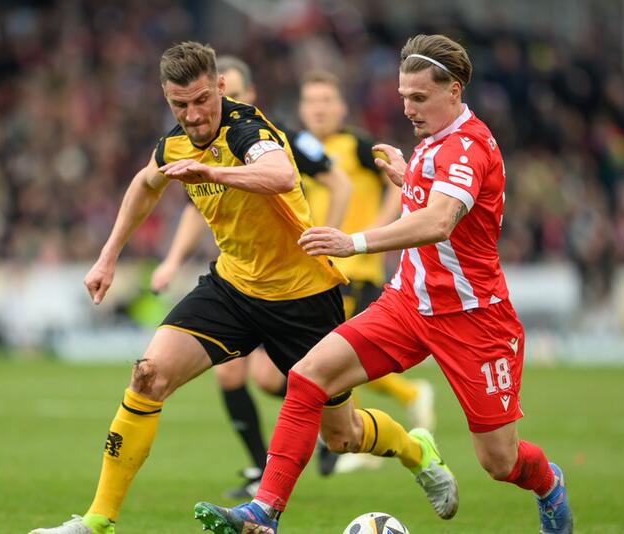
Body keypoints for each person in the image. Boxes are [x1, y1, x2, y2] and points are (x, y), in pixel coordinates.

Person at [30, 41, 453, 534]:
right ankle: (97, 520)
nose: (193, 114)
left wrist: (212, 170)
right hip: (233, 286)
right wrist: (108, 256)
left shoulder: (249, 130)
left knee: (342, 436)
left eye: (201, 100)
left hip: (303, 297)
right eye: (179, 105)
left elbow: (277, 172)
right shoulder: (173, 144)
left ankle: (415, 449)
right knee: (147, 376)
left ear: (221, 87)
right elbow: (145, 185)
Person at [194, 34, 573, 534]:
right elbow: (435, 203)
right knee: (308, 376)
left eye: (419, 97)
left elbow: (439, 222)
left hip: (473, 318)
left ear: (454, 90)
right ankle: (264, 511)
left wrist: (354, 242)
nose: (409, 108)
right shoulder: (434, 143)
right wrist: (407, 177)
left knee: (499, 462)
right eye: (403, 97)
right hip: (408, 306)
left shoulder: (467, 147)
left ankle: (548, 485)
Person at [149, 55, 353, 499]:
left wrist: (331, 238)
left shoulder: (282, 137)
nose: (201, 114)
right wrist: (171, 261)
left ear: (241, 95)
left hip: (299, 279)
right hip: (240, 281)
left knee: (278, 382)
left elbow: (338, 183)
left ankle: (339, 431)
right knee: (228, 375)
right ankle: (260, 468)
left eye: (229, 96)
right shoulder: (199, 142)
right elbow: (192, 203)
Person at [297, 70, 436, 473]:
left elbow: (400, 184)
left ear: (341, 107)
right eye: (311, 102)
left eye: (326, 101)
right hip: (322, 266)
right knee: (330, 356)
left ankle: (353, 440)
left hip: (356, 266)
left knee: (334, 355)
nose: (319, 109)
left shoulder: (356, 145)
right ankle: (405, 398)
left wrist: (377, 228)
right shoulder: (301, 150)